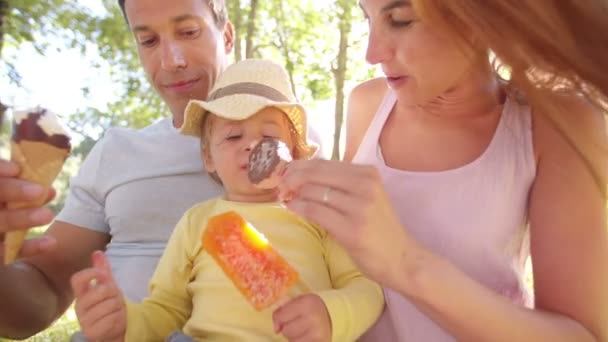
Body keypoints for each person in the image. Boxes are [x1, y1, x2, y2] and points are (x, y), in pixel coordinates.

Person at [277, 0, 608, 341]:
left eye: (400, 20)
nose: (372, 53)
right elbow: (344, 272)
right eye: (368, 19)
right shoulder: (367, 104)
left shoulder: (556, 127)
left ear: (477, 17)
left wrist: (406, 263)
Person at [0, 0, 318, 339]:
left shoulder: (295, 149)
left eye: (188, 32)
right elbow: (36, 301)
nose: (171, 61)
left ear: (226, 36)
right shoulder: (116, 152)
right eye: (149, 41)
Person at [70, 59, 384, 342]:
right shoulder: (197, 221)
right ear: (208, 157)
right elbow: (166, 310)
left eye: (270, 137)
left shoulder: (317, 214)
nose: (251, 145)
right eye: (234, 136)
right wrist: (125, 323)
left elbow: (366, 290)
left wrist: (331, 314)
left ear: (295, 152)